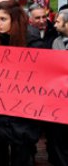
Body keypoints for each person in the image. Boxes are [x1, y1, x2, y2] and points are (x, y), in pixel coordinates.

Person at [0, 0, 43, 166]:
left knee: (22, 159)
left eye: (3, 19)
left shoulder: (33, 43)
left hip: (22, 117)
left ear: (16, 19)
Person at [49, 9, 68, 166]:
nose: (54, 24)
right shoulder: (56, 42)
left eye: (58, 22)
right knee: (59, 138)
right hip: (59, 99)